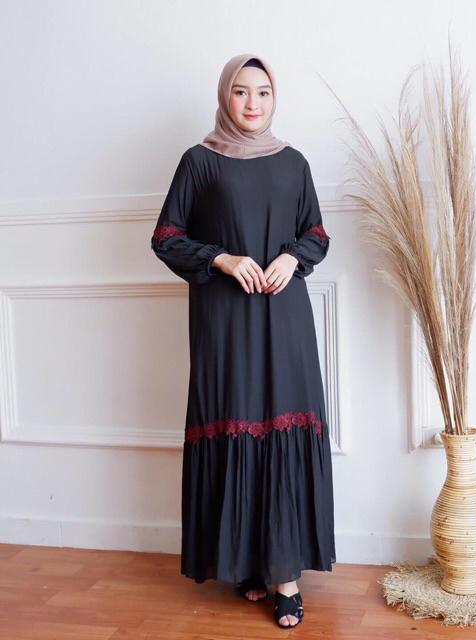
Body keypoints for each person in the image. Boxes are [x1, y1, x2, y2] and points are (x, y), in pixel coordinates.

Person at [150, 53, 336, 628]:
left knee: (279, 421)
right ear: (224, 96)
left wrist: (292, 257)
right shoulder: (200, 162)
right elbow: (166, 237)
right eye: (240, 91)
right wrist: (222, 258)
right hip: (225, 320)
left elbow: (317, 232)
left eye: (263, 92)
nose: (252, 103)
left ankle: (286, 578)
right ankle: (251, 564)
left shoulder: (294, 162)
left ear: (275, 98)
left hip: (285, 317)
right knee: (239, 421)